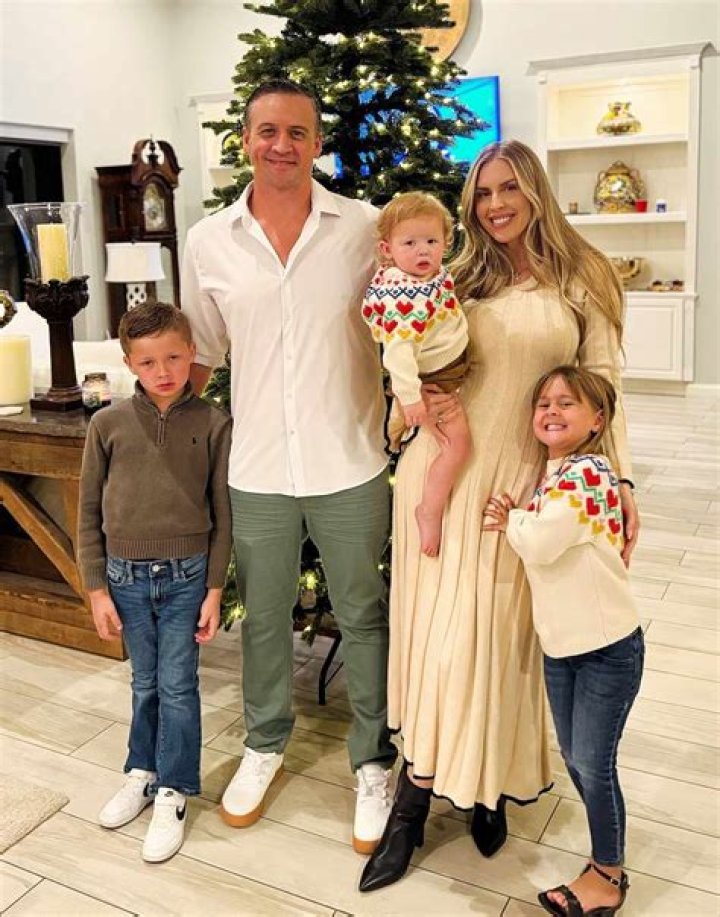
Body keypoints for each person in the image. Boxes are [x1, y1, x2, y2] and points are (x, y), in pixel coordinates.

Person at [359, 139, 640, 893]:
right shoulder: (456, 274)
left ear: (535, 190)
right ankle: (411, 807)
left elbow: (604, 387)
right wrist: (411, 407)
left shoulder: (583, 277)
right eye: (482, 193)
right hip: (445, 476)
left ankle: (486, 784)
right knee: (439, 641)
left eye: (509, 188)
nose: (495, 205)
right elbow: (409, 352)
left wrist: (618, 482)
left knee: (500, 641)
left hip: (520, 490)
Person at [181, 78, 398, 855]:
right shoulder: (208, 241)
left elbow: (404, 327)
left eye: (297, 132)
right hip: (259, 466)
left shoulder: (365, 228)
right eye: (267, 130)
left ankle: (372, 758)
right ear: (246, 140)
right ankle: (265, 741)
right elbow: (202, 351)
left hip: (350, 458)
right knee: (265, 618)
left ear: (317, 143)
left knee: (364, 613)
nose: (282, 145)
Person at [483, 365, 643, 916]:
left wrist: (512, 519)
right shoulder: (557, 474)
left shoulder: (590, 473)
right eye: (543, 403)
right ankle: (605, 861)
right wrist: (525, 518)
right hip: (564, 649)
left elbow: (543, 542)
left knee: (593, 764)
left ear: (597, 420)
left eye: (567, 402)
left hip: (606, 649)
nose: (551, 411)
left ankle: (608, 876)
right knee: (577, 759)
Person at [78, 301, 232, 863]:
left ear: (191, 353)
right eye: (147, 362)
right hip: (124, 578)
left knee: (178, 685)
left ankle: (174, 788)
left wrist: (214, 589)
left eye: (173, 358)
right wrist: (97, 589)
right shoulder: (107, 424)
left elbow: (223, 513)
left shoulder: (214, 423)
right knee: (144, 682)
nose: (162, 371)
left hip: (188, 576)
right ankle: (142, 771)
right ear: (129, 364)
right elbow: (88, 510)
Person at [361, 191, 471, 556]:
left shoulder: (425, 278)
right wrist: (410, 400)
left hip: (448, 367)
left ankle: (398, 424)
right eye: (410, 243)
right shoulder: (403, 296)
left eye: (431, 241)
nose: (423, 251)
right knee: (457, 446)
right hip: (438, 378)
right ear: (387, 249)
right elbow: (398, 354)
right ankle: (429, 510)